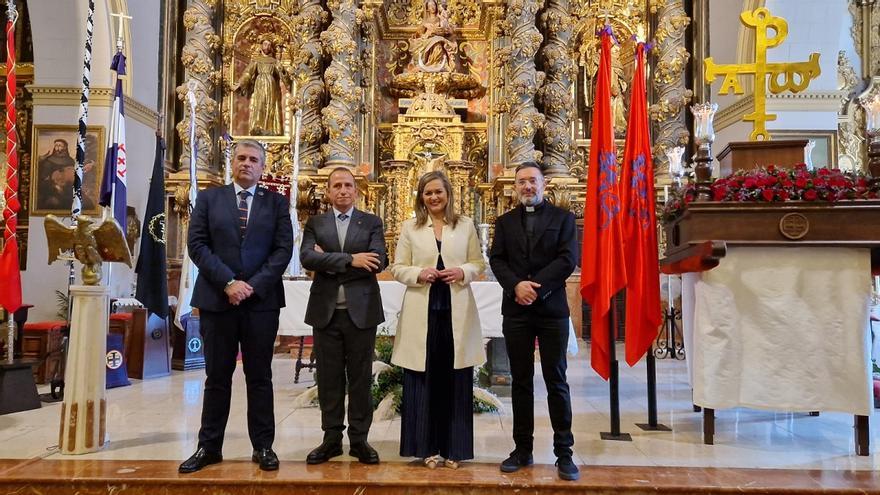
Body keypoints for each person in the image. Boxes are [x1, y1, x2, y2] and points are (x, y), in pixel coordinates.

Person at [179, 139, 293, 473]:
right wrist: (228, 282)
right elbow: (197, 244)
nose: (246, 163)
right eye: (241, 158)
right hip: (217, 300)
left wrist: (252, 286)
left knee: (260, 377)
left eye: (253, 159)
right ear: (233, 162)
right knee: (217, 377)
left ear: (263, 166)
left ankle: (263, 446)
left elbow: (283, 250)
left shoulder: (276, 203)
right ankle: (209, 446)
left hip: (261, 304)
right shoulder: (210, 198)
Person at [488, 162, 580, 481]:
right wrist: (516, 286)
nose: (528, 186)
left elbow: (568, 258)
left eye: (533, 181)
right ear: (516, 187)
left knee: (556, 380)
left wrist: (535, 288)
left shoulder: (563, 218)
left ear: (544, 185)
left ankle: (564, 453)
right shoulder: (504, 222)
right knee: (521, 381)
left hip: (550, 309)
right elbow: (496, 259)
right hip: (516, 311)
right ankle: (522, 449)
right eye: (522, 182)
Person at [390, 171, 485, 469]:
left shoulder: (465, 225)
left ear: (448, 194)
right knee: (423, 380)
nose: (433, 197)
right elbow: (397, 267)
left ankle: (454, 448)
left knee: (454, 381)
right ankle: (426, 447)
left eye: (438, 192)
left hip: (456, 311)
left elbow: (478, 262)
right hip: (423, 312)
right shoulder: (411, 228)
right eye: (428, 193)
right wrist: (419, 273)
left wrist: (462, 272)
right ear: (421, 196)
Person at [300, 167, 387, 465]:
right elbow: (307, 258)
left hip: (360, 312)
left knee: (361, 378)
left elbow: (377, 261)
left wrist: (328, 260)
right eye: (336, 185)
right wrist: (352, 259)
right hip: (326, 312)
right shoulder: (316, 223)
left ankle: (360, 440)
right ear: (328, 191)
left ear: (356, 190)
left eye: (348, 185)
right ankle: (331, 438)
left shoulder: (372, 222)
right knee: (328, 378)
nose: (343, 190)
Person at [234, 39, 289, 136]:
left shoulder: (274, 62)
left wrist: (281, 69)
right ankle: (258, 127)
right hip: (259, 86)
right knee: (260, 105)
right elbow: (248, 73)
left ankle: (270, 128)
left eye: (269, 45)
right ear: (261, 46)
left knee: (270, 106)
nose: (267, 46)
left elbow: (283, 75)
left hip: (271, 86)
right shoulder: (256, 60)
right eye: (265, 44)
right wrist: (240, 83)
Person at [411, 0, 457, 73]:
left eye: (433, 5)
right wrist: (428, 33)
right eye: (430, 6)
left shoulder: (440, 19)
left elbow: (448, 31)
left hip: (439, 40)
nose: (432, 7)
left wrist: (443, 29)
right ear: (427, 9)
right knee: (432, 42)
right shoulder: (425, 21)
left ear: (436, 6)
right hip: (427, 40)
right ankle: (427, 63)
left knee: (437, 44)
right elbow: (419, 34)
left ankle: (436, 63)